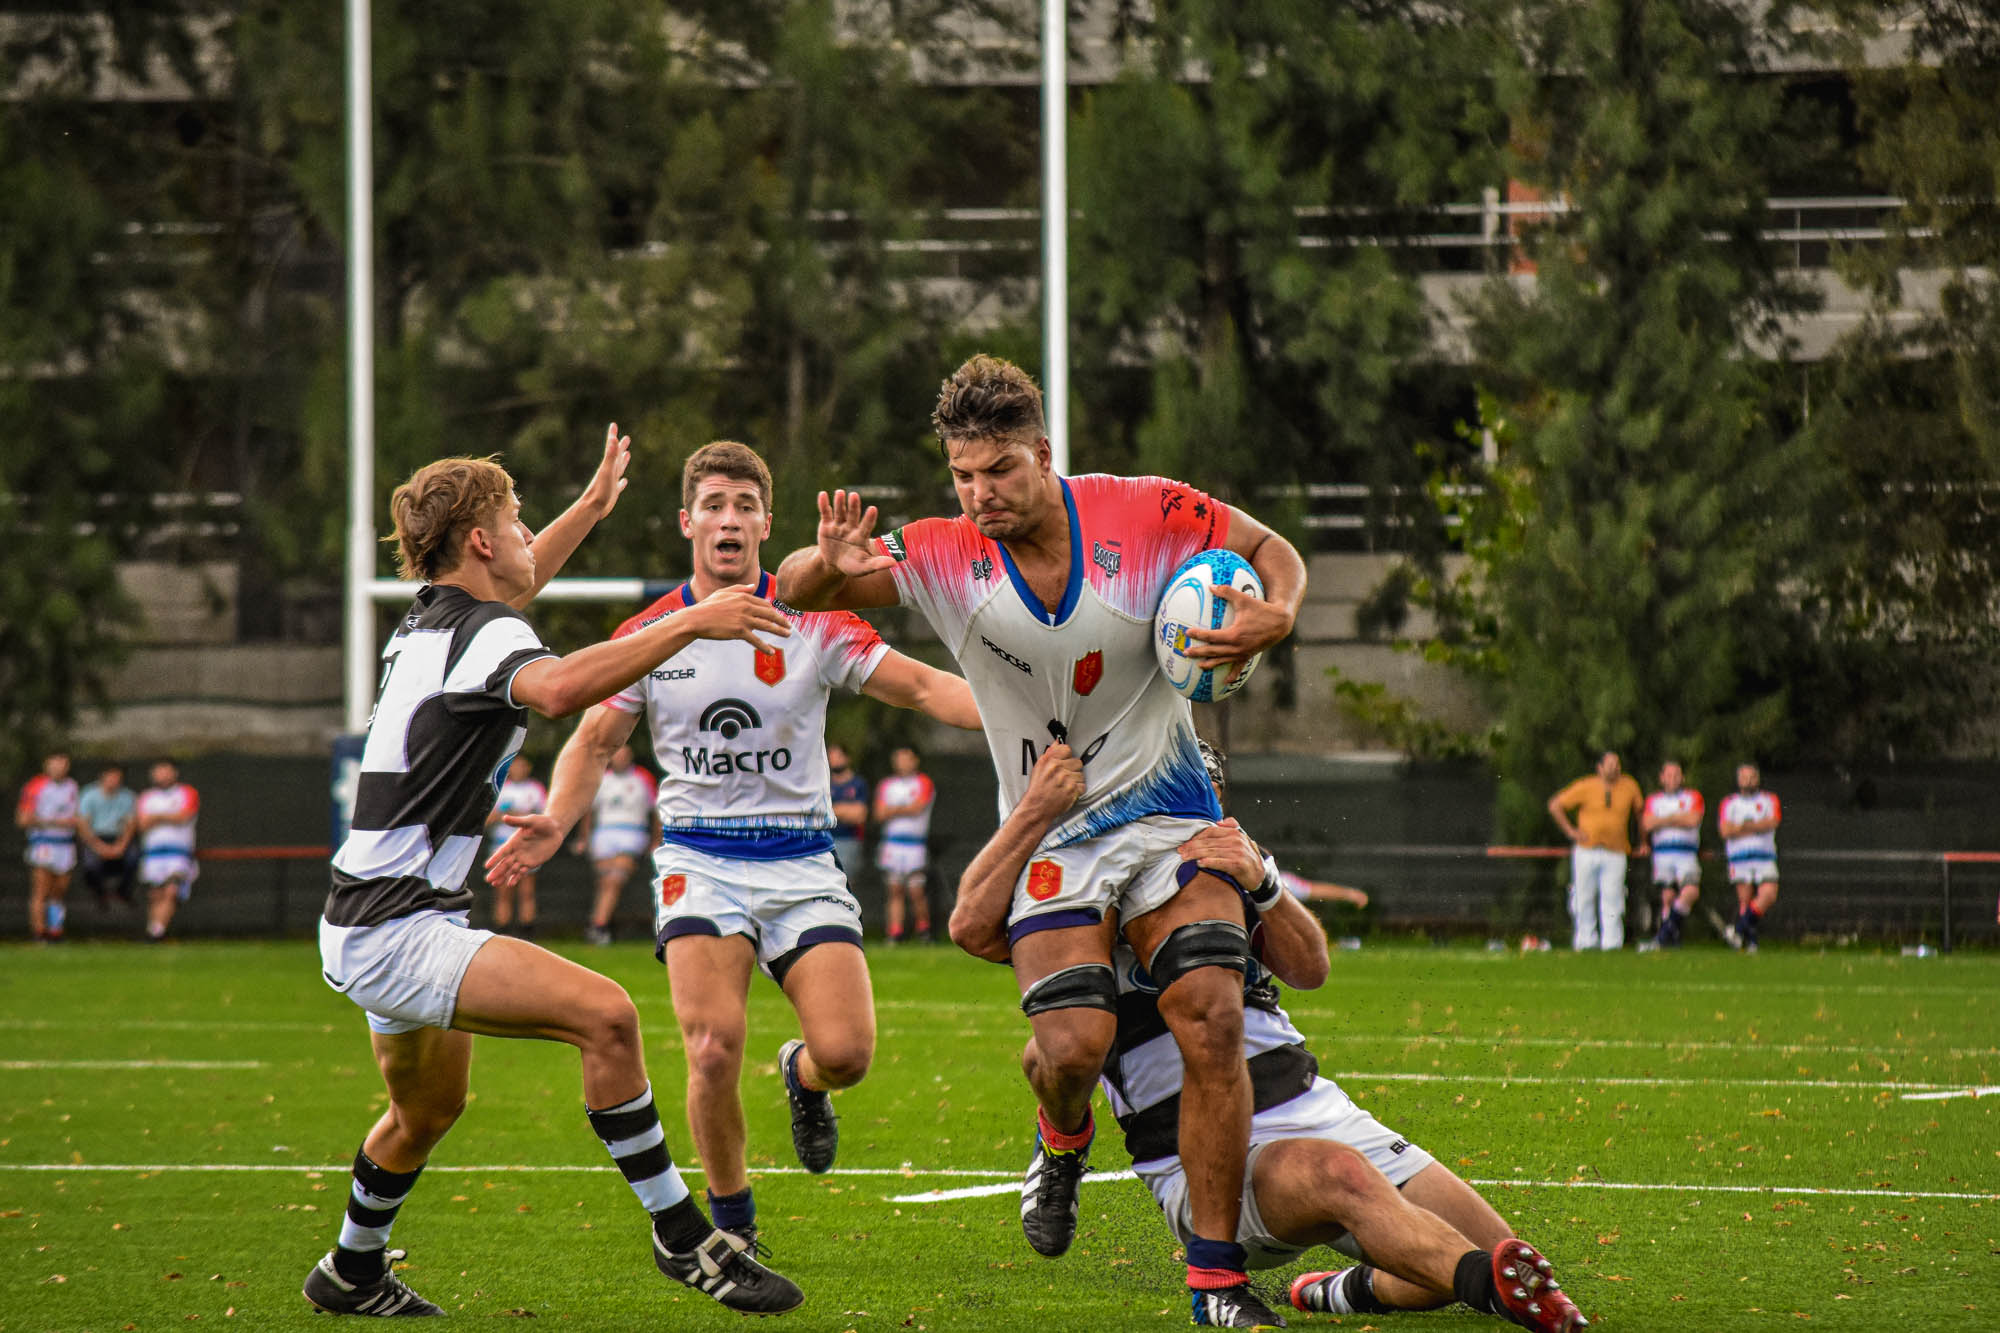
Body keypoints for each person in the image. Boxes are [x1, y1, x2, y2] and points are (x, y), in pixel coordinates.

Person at [776, 354, 1306, 1325]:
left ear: (1043, 454)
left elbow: (1271, 549)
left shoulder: (1142, 513)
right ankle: (1061, 1139)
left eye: (1000, 471)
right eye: (963, 475)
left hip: (1170, 808)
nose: (979, 494)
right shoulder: (940, 551)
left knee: (1211, 1015)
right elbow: (805, 586)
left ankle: (1217, 1277)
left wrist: (1277, 611)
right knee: (1071, 1046)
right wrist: (823, 558)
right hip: (1050, 828)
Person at [305, 431, 802, 1318]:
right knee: (608, 1018)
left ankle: (349, 1269)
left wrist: (591, 506)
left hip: (374, 915)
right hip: (397, 925)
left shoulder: (434, 615)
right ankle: (684, 1238)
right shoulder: (486, 633)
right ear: (484, 543)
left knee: (426, 1112)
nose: (530, 533)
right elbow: (563, 689)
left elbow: (520, 581)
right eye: (517, 519)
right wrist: (685, 618)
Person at [488, 440, 980, 1254]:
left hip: (800, 862)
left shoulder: (813, 619)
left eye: (745, 505)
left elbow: (926, 687)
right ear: (688, 522)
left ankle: (803, 1075)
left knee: (847, 1054)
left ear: (765, 522)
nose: (729, 519)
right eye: (714, 503)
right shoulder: (653, 632)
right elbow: (594, 738)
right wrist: (559, 820)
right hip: (699, 861)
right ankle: (734, 1230)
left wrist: (1023, 713)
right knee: (711, 1048)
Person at [949, 741, 1590, 1332]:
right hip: (1197, 1153)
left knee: (1495, 1244)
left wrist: (1263, 883)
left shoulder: (1217, 862)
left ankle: (1346, 1290)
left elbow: (1311, 967)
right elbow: (972, 926)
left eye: (1199, 792)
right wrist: (1032, 814)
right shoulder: (1078, 879)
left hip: (1314, 1105)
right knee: (1355, 1185)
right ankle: (1486, 1288)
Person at [1545, 752, 1643, 951]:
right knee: (1583, 896)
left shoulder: (1629, 786)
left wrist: (1643, 841)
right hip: (1587, 849)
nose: (1614, 767)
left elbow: (1640, 813)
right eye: (1610, 764)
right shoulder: (1586, 786)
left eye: (1617, 763)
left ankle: (1612, 943)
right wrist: (1571, 831)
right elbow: (1556, 805)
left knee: (1613, 897)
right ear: (1599, 768)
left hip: (1616, 850)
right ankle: (1585, 940)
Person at [573, 746, 658, 946]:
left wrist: (655, 839)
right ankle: (599, 926)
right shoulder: (602, 778)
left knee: (614, 880)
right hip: (604, 834)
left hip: (632, 833)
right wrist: (584, 839)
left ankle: (598, 926)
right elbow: (589, 811)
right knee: (605, 883)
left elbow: (656, 811)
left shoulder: (642, 778)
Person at [873, 745, 936, 943]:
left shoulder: (923, 782)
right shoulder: (886, 784)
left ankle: (923, 930)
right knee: (895, 889)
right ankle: (895, 932)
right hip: (892, 844)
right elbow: (879, 813)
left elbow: (918, 807)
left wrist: (892, 809)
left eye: (906, 758)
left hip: (914, 844)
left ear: (915, 760)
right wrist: (903, 808)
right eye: (899, 758)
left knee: (916, 891)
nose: (902, 763)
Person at [1637, 761, 1703, 952]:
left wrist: (1664, 820)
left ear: (1682, 778)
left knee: (1690, 891)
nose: (1673, 779)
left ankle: (1663, 936)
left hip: (1686, 852)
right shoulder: (1654, 800)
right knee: (1667, 896)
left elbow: (1693, 820)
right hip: (1663, 853)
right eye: (1669, 775)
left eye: (1676, 775)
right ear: (1662, 778)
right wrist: (1677, 818)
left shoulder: (1692, 797)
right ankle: (1671, 940)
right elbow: (1648, 824)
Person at [1718, 763, 1781, 953]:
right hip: (1739, 858)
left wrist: (1741, 827)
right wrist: (1753, 826)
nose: (1748, 781)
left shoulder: (1769, 799)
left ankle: (1737, 930)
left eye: (1752, 777)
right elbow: (1725, 830)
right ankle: (1750, 942)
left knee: (1768, 894)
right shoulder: (1730, 803)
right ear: (1738, 780)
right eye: (1744, 777)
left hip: (1764, 856)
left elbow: (1772, 822)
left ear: (1758, 779)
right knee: (1745, 901)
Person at [17, 751, 80, 941]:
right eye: (55, 763)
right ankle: (39, 931)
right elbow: (23, 819)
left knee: (59, 890)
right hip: (44, 844)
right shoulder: (35, 786)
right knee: (41, 889)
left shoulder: (72, 787)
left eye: (63, 763)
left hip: (65, 845)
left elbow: (76, 817)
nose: (59, 767)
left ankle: (55, 930)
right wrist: (54, 822)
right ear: (47, 765)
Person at [135, 760, 199, 941]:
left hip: (178, 852)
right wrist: (167, 817)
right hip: (153, 853)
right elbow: (142, 824)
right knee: (156, 894)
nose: (162, 775)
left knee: (172, 890)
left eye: (166, 770)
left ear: (174, 772)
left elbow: (183, 816)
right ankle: (154, 931)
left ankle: (156, 932)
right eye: (159, 771)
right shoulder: (147, 797)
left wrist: (157, 816)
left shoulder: (187, 792)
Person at [483, 756, 546, 937]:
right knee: (503, 890)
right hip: (502, 845)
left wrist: (522, 816)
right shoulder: (501, 788)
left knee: (527, 890)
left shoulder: (536, 789)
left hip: (526, 845)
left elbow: (544, 817)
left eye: (522, 766)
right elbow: (487, 820)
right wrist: (505, 814)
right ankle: (502, 931)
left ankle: (527, 931)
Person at [77, 762, 139, 909]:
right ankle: (99, 894)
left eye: (117, 777)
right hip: (95, 838)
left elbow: (131, 824)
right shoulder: (88, 795)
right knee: (90, 865)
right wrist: (99, 846)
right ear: (102, 777)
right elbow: (83, 825)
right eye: (111, 776)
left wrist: (121, 846)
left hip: (119, 838)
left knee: (134, 857)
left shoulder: (128, 796)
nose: (114, 780)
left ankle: (123, 891)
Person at [825, 743, 869, 884]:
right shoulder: (824, 783)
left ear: (847, 758)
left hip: (849, 841)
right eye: (831, 756)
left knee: (846, 885)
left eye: (838, 756)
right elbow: (816, 813)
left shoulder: (858, 784)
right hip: (826, 841)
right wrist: (845, 810)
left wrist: (831, 810)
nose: (834, 760)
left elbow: (859, 815)